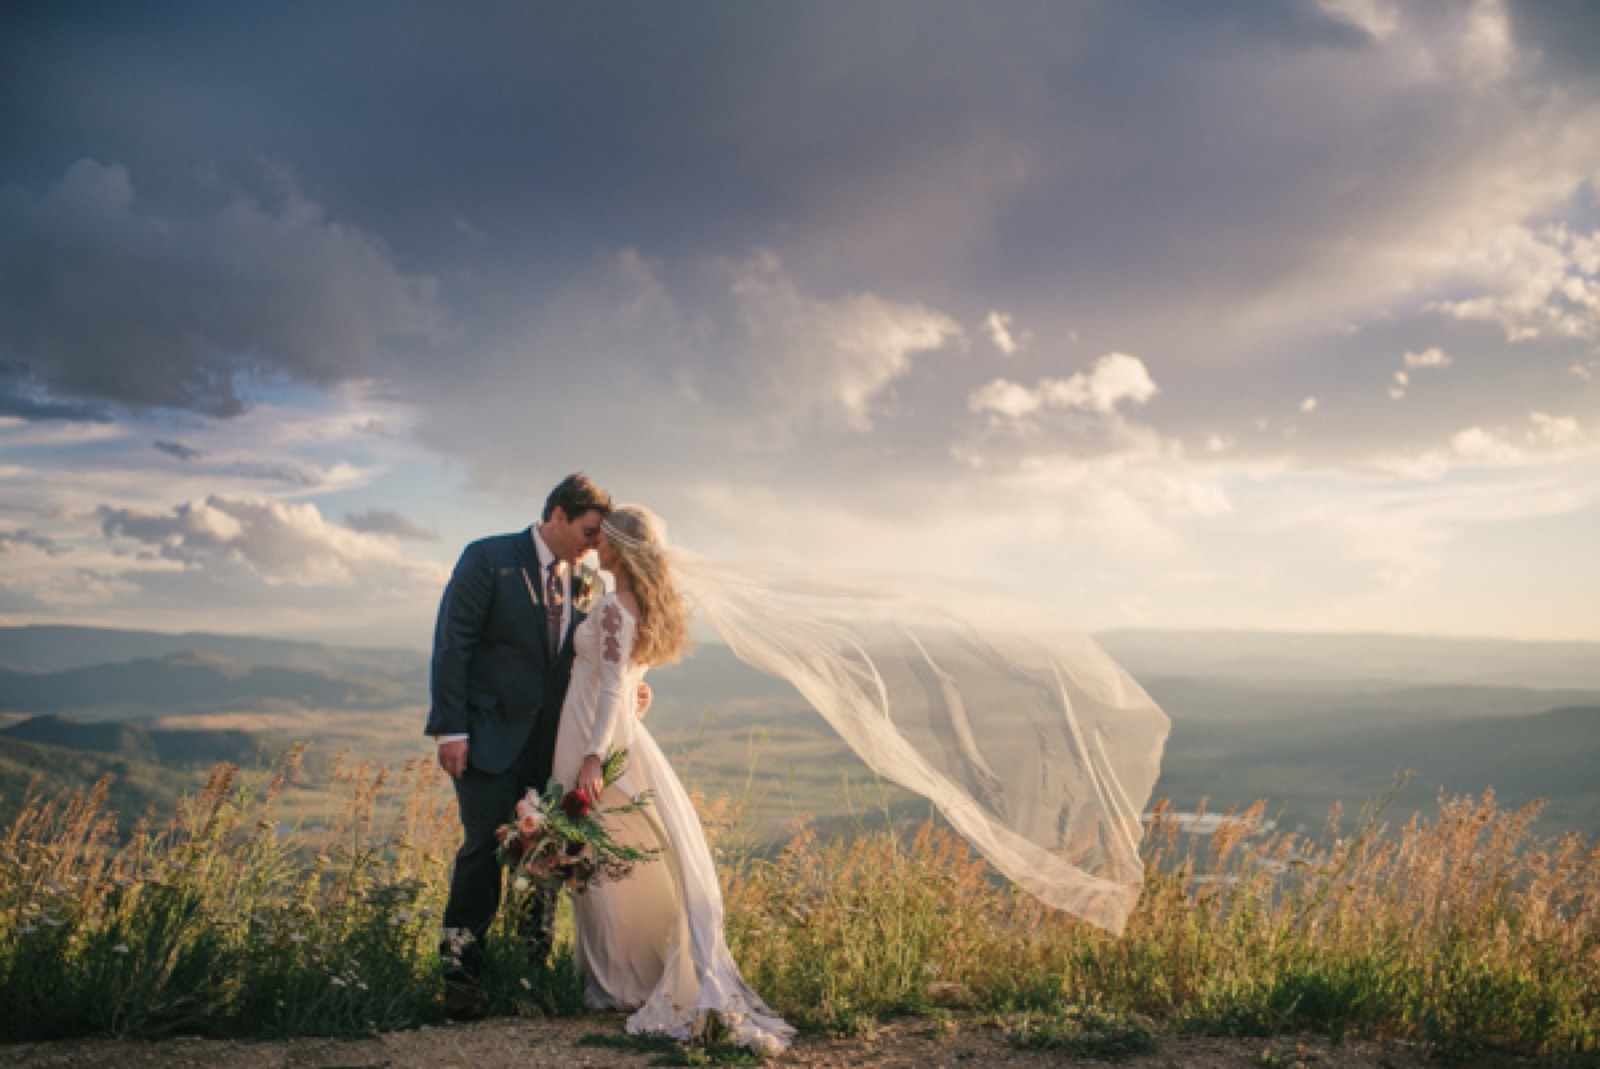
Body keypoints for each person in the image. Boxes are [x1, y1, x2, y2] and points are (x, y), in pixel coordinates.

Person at [551, 504, 796, 1056]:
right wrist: (641, 692)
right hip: (608, 728)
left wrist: (593, 758)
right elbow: (630, 676)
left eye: (604, 537)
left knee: (610, 861)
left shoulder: (615, 606)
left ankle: (622, 983)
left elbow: (613, 685)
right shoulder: (634, 600)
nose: (596, 545)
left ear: (620, 547)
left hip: (597, 734)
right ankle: (621, 978)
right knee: (617, 858)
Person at [426, 472, 612, 1021]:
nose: (594, 545)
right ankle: (461, 977)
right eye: (588, 531)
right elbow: (452, 642)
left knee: (546, 856)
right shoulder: (487, 559)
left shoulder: (584, 580)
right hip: (484, 739)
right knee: (482, 852)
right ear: (557, 516)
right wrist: (451, 730)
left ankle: (530, 973)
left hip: (549, 745)